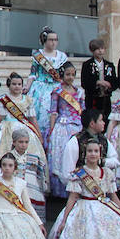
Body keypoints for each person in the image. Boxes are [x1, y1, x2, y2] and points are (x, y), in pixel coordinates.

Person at [56, 109, 119, 197]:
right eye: (101, 120)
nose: (104, 123)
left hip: (102, 192)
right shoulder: (76, 141)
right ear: (92, 123)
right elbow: (67, 172)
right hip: (81, 193)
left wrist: (101, 162)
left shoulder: (103, 140)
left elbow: (115, 161)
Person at [43, 63, 85, 195]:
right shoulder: (57, 91)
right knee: (60, 156)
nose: (70, 77)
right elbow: (53, 112)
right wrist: (51, 130)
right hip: (61, 127)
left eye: (73, 74)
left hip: (76, 127)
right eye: (68, 74)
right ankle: (59, 190)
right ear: (62, 75)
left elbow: (82, 111)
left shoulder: (79, 92)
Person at [0, 72, 43, 160]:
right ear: (9, 85)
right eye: (14, 84)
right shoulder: (4, 100)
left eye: (19, 84)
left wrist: (39, 135)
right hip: (7, 129)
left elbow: (33, 119)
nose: (17, 86)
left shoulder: (28, 100)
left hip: (25, 128)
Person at [25, 26, 68, 127]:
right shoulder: (38, 55)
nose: (53, 42)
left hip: (57, 87)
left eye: (56, 40)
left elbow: (65, 74)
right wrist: (27, 86)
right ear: (45, 40)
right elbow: (32, 74)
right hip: (40, 87)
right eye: (51, 40)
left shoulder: (61, 56)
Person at [6, 127, 48, 220]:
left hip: (32, 193)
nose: (23, 145)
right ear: (14, 142)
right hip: (13, 193)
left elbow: (41, 177)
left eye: (26, 142)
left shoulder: (35, 158)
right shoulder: (8, 157)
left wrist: (42, 190)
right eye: (21, 142)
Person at [80, 37, 115, 120]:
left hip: (106, 98)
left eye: (102, 48)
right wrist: (97, 82)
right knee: (93, 118)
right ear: (92, 50)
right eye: (97, 49)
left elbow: (114, 80)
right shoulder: (87, 65)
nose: (100, 51)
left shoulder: (109, 65)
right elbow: (84, 82)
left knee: (106, 118)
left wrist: (109, 85)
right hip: (92, 98)